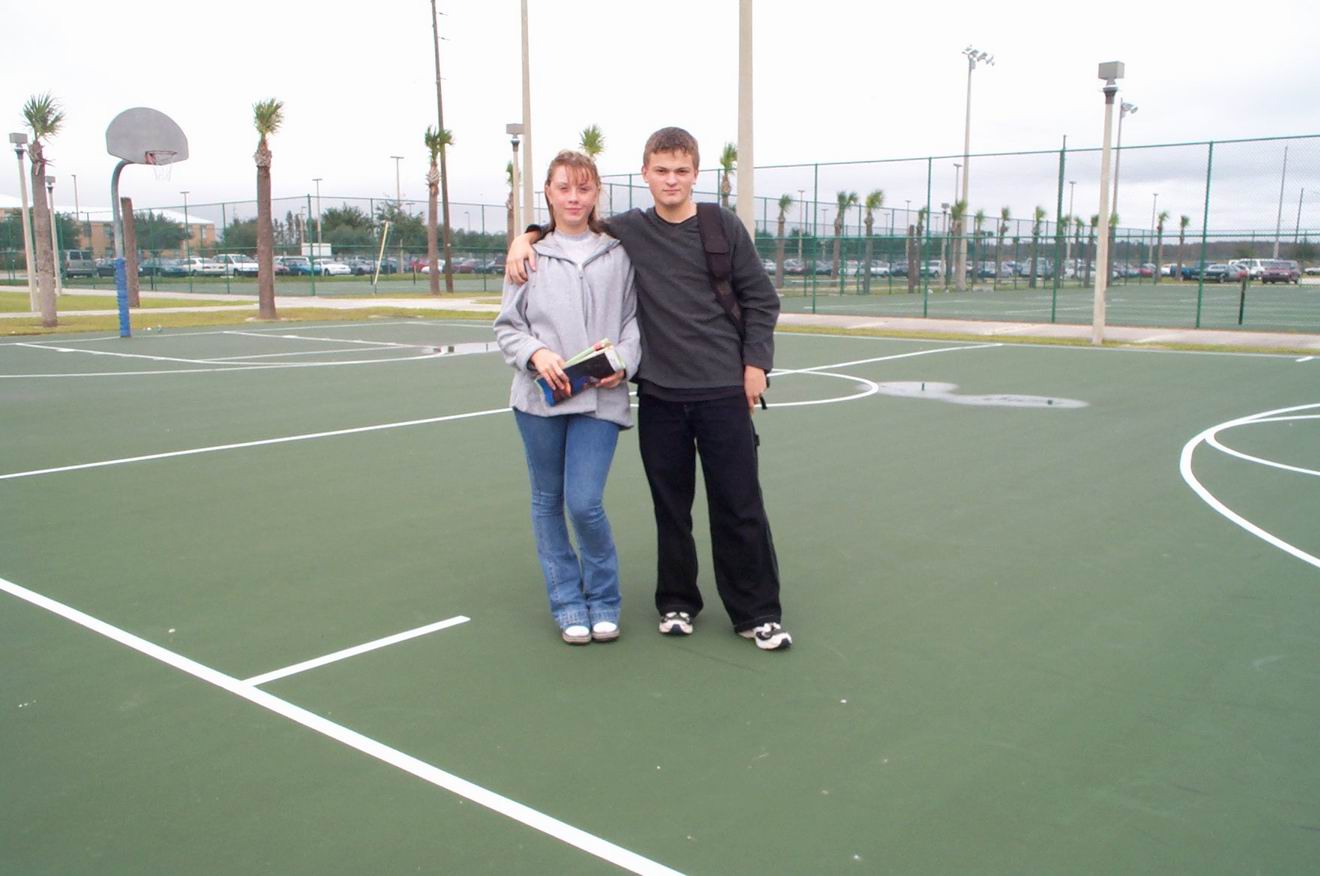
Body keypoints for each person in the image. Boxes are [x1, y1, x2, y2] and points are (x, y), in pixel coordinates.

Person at [507, 127, 791, 651]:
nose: (671, 180)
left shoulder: (721, 225)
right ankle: (677, 602)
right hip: (660, 394)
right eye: (661, 171)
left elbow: (761, 299)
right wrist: (524, 237)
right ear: (645, 175)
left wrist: (756, 365)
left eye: (681, 171)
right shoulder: (628, 232)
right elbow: (570, 222)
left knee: (739, 502)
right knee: (670, 507)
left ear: (696, 174)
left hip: (721, 388)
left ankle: (757, 612)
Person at [494, 150, 640, 645]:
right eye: (563, 188)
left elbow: (634, 322)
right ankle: (568, 603)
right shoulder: (528, 255)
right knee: (547, 501)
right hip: (539, 402)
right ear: (549, 193)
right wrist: (536, 354)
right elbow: (508, 327)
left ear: (597, 192)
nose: (574, 198)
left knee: (584, 502)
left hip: (601, 401)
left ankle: (604, 599)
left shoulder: (619, 253)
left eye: (583, 188)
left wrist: (622, 362)